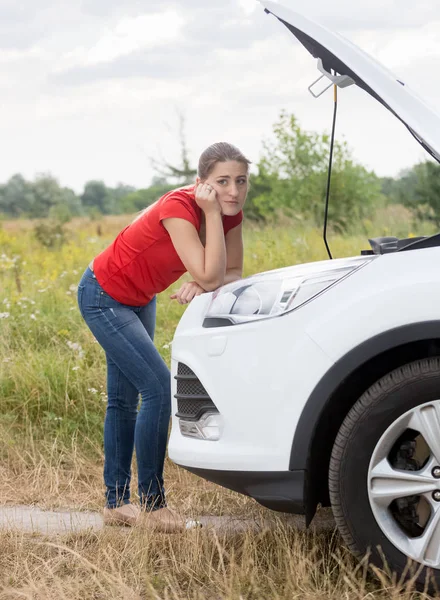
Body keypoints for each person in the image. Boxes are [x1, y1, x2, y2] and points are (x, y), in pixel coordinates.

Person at [77, 142, 251, 531]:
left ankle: (116, 505)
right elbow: (212, 276)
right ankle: (153, 507)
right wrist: (205, 270)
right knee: (157, 387)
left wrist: (201, 280)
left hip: (139, 299)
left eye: (241, 181)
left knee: (125, 398)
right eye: (222, 181)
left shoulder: (229, 215)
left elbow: (234, 271)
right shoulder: (180, 207)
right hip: (103, 295)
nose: (234, 191)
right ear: (201, 183)